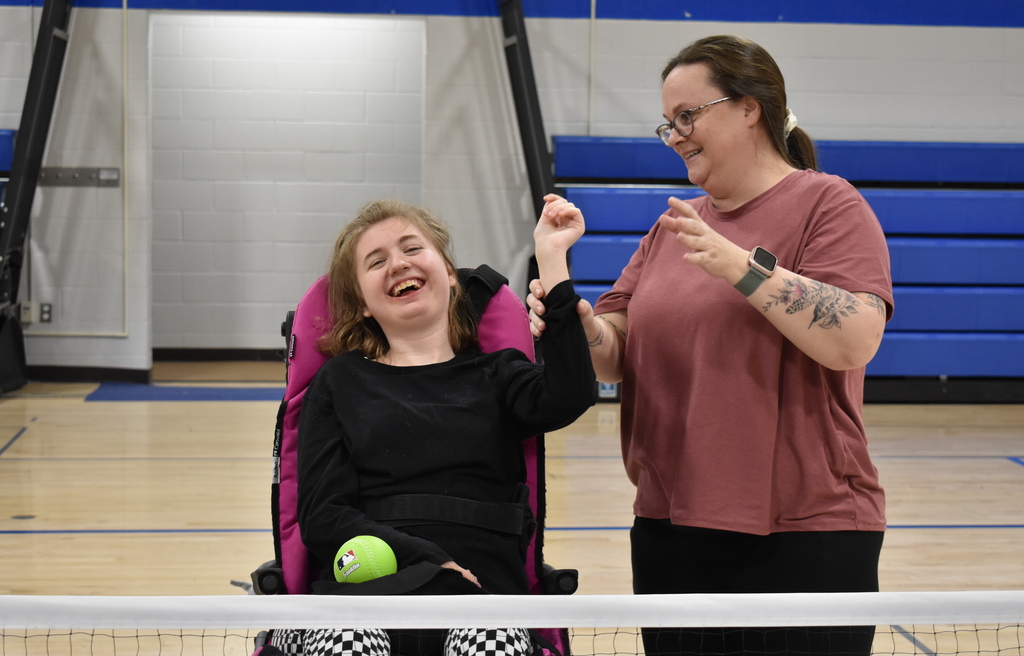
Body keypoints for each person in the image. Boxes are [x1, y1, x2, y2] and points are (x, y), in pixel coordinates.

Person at [528, 35, 893, 656]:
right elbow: (615, 352)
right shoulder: (672, 227)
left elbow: (856, 338)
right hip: (672, 526)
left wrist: (743, 269)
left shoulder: (828, 203)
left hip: (807, 528)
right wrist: (579, 322)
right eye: (667, 124)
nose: (676, 136)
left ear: (750, 107)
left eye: (688, 116)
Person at [290, 199, 596, 656]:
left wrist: (551, 260)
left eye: (412, 248)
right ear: (363, 304)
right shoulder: (339, 381)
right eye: (376, 262)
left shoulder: (499, 374)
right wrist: (431, 561)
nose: (398, 264)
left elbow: (571, 393)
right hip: (370, 594)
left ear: (450, 272)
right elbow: (324, 516)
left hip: (484, 595)